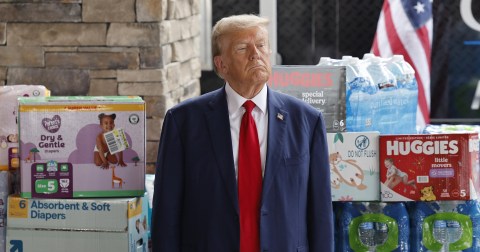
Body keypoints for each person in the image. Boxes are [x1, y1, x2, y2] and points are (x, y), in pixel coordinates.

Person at [152, 14, 333, 252]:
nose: (255, 54)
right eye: (242, 48)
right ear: (221, 64)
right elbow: (166, 211)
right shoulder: (183, 122)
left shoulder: (307, 120)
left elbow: (320, 212)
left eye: (261, 45)